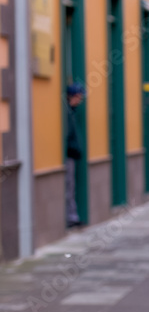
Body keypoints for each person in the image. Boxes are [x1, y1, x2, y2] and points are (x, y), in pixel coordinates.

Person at [65, 83, 86, 227]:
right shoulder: (66, 112)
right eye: (78, 96)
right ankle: (70, 218)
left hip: (72, 154)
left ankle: (72, 216)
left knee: (71, 186)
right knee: (69, 186)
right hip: (68, 154)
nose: (80, 100)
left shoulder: (71, 112)